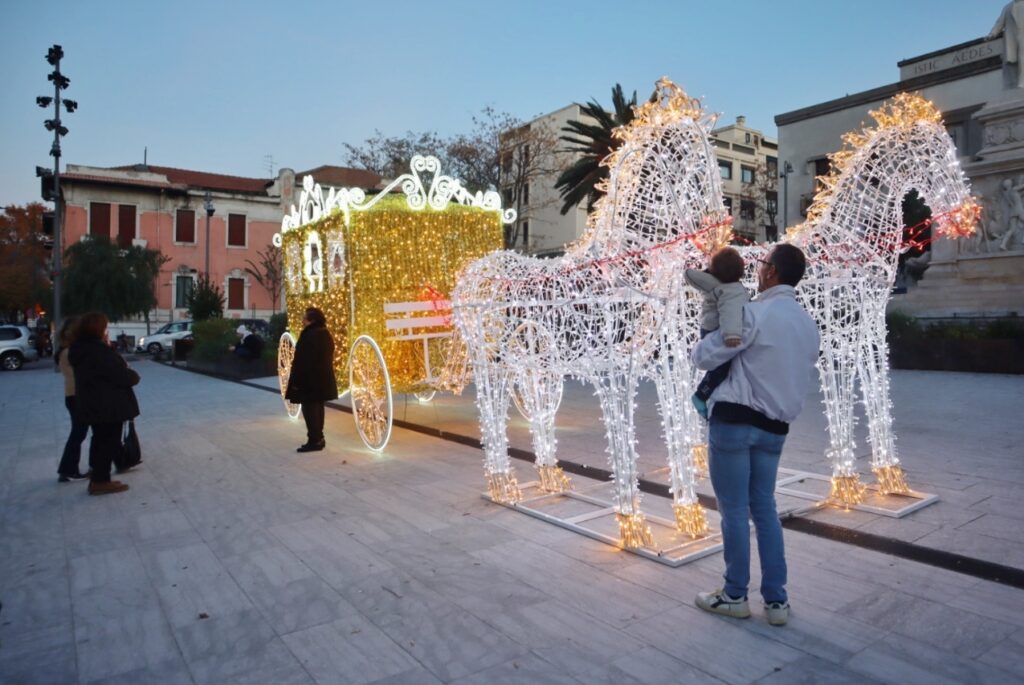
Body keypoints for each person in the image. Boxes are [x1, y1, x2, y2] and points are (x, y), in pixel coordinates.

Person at [691, 243, 820, 627]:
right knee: (764, 509)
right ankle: (777, 601)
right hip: (775, 431)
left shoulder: (753, 313)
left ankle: (734, 595)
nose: (759, 269)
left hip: (734, 423)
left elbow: (704, 356)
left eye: (763, 264)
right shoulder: (807, 324)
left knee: (733, 511)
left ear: (773, 273)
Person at [68, 312, 141, 496]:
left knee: (100, 440)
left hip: (94, 403)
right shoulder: (98, 351)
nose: (107, 331)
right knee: (108, 442)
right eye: (105, 327)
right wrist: (131, 373)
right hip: (107, 405)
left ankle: (98, 476)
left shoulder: (81, 348)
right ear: (97, 329)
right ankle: (101, 481)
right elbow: (122, 376)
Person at [685, 247, 749, 418]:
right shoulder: (732, 289)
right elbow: (731, 311)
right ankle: (701, 395)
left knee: (718, 366)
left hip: (707, 328)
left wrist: (710, 271)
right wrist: (732, 334)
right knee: (722, 367)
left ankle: (704, 394)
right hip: (718, 330)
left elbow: (689, 273)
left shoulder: (711, 283)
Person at [285, 307, 338, 452]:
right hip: (320, 379)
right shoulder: (324, 333)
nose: (302, 320)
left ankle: (314, 440)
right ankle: (318, 439)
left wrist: (297, 381)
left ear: (311, 319)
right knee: (318, 409)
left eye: (305, 317)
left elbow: (303, 360)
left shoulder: (310, 334)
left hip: (309, 381)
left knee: (310, 411)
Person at [55, 316, 89, 482]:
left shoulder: (65, 350)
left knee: (78, 433)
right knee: (78, 433)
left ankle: (67, 469)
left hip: (73, 395)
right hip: (77, 396)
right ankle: (68, 469)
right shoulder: (70, 352)